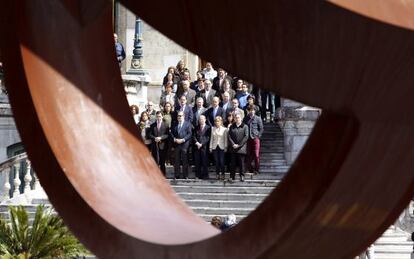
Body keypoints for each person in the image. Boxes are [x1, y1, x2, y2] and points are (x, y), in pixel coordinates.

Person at [170, 111, 192, 179]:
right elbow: (171, 133)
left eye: (181, 116)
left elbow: (189, 134)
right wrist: (174, 139)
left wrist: (183, 140)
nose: (179, 117)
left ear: (184, 116)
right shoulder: (174, 124)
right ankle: (177, 175)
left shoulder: (187, 124)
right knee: (177, 160)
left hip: (184, 144)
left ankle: (185, 175)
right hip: (176, 144)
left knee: (185, 160)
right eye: (178, 116)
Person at [228, 113, 248, 182]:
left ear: (241, 119)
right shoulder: (232, 126)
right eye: (236, 118)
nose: (237, 119)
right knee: (232, 163)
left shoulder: (245, 126)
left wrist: (239, 145)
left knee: (241, 163)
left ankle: (242, 176)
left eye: (238, 117)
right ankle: (232, 176)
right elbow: (229, 136)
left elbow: (246, 137)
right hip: (233, 148)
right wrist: (233, 144)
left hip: (241, 148)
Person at [244, 106, 264, 175]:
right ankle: (250, 169)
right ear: (248, 111)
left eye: (253, 110)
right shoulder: (246, 118)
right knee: (248, 154)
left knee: (256, 155)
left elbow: (261, 128)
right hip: (248, 139)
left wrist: (258, 136)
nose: (252, 111)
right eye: (250, 110)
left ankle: (257, 169)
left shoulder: (258, 118)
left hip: (255, 138)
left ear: (255, 111)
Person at [149, 112, 169, 176]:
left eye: (160, 116)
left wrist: (161, 138)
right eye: (157, 116)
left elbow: (167, 135)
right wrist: (155, 138)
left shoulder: (166, 125)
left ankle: (163, 175)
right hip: (155, 146)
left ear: (162, 117)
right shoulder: (152, 125)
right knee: (155, 161)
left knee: (162, 162)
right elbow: (149, 134)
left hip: (162, 145)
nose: (158, 118)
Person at [209, 116, 228, 180]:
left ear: (221, 122)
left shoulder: (224, 129)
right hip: (215, 147)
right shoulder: (213, 129)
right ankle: (217, 174)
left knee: (222, 161)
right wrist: (210, 147)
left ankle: (222, 174)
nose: (217, 122)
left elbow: (225, 138)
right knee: (216, 161)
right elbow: (211, 138)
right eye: (216, 121)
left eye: (218, 121)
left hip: (222, 146)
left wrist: (226, 147)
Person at [193, 115, 211, 179]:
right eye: (200, 119)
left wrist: (202, 144)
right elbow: (194, 136)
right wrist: (197, 143)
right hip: (197, 147)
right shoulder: (196, 127)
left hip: (204, 147)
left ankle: (205, 175)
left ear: (205, 119)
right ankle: (198, 175)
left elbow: (208, 137)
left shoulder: (208, 128)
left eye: (202, 119)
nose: (201, 120)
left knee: (204, 161)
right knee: (197, 162)